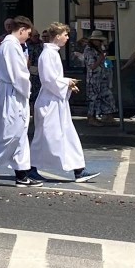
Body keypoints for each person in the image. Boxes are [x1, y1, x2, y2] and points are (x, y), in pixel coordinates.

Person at [29, 22, 99, 183]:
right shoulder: (48, 54)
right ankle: (31, 167)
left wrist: (67, 84)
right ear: (58, 36)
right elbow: (48, 79)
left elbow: (53, 79)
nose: (68, 38)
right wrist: (67, 83)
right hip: (49, 102)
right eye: (66, 35)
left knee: (66, 135)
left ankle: (79, 170)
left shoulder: (52, 53)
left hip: (56, 101)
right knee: (47, 137)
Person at [0, 16, 40, 188]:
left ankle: (21, 174)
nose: (27, 37)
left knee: (20, 135)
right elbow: (19, 74)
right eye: (27, 33)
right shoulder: (11, 45)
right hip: (13, 92)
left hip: (13, 91)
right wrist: (27, 90)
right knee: (11, 132)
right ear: (21, 30)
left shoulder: (10, 45)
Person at [83, 31, 115, 125]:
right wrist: (101, 58)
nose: (100, 42)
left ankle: (108, 115)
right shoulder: (89, 50)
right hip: (93, 79)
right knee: (93, 98)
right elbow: (91, 66)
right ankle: (91, 117)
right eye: (98, 40)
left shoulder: (100, 48)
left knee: (107, 96)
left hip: (102, 77)